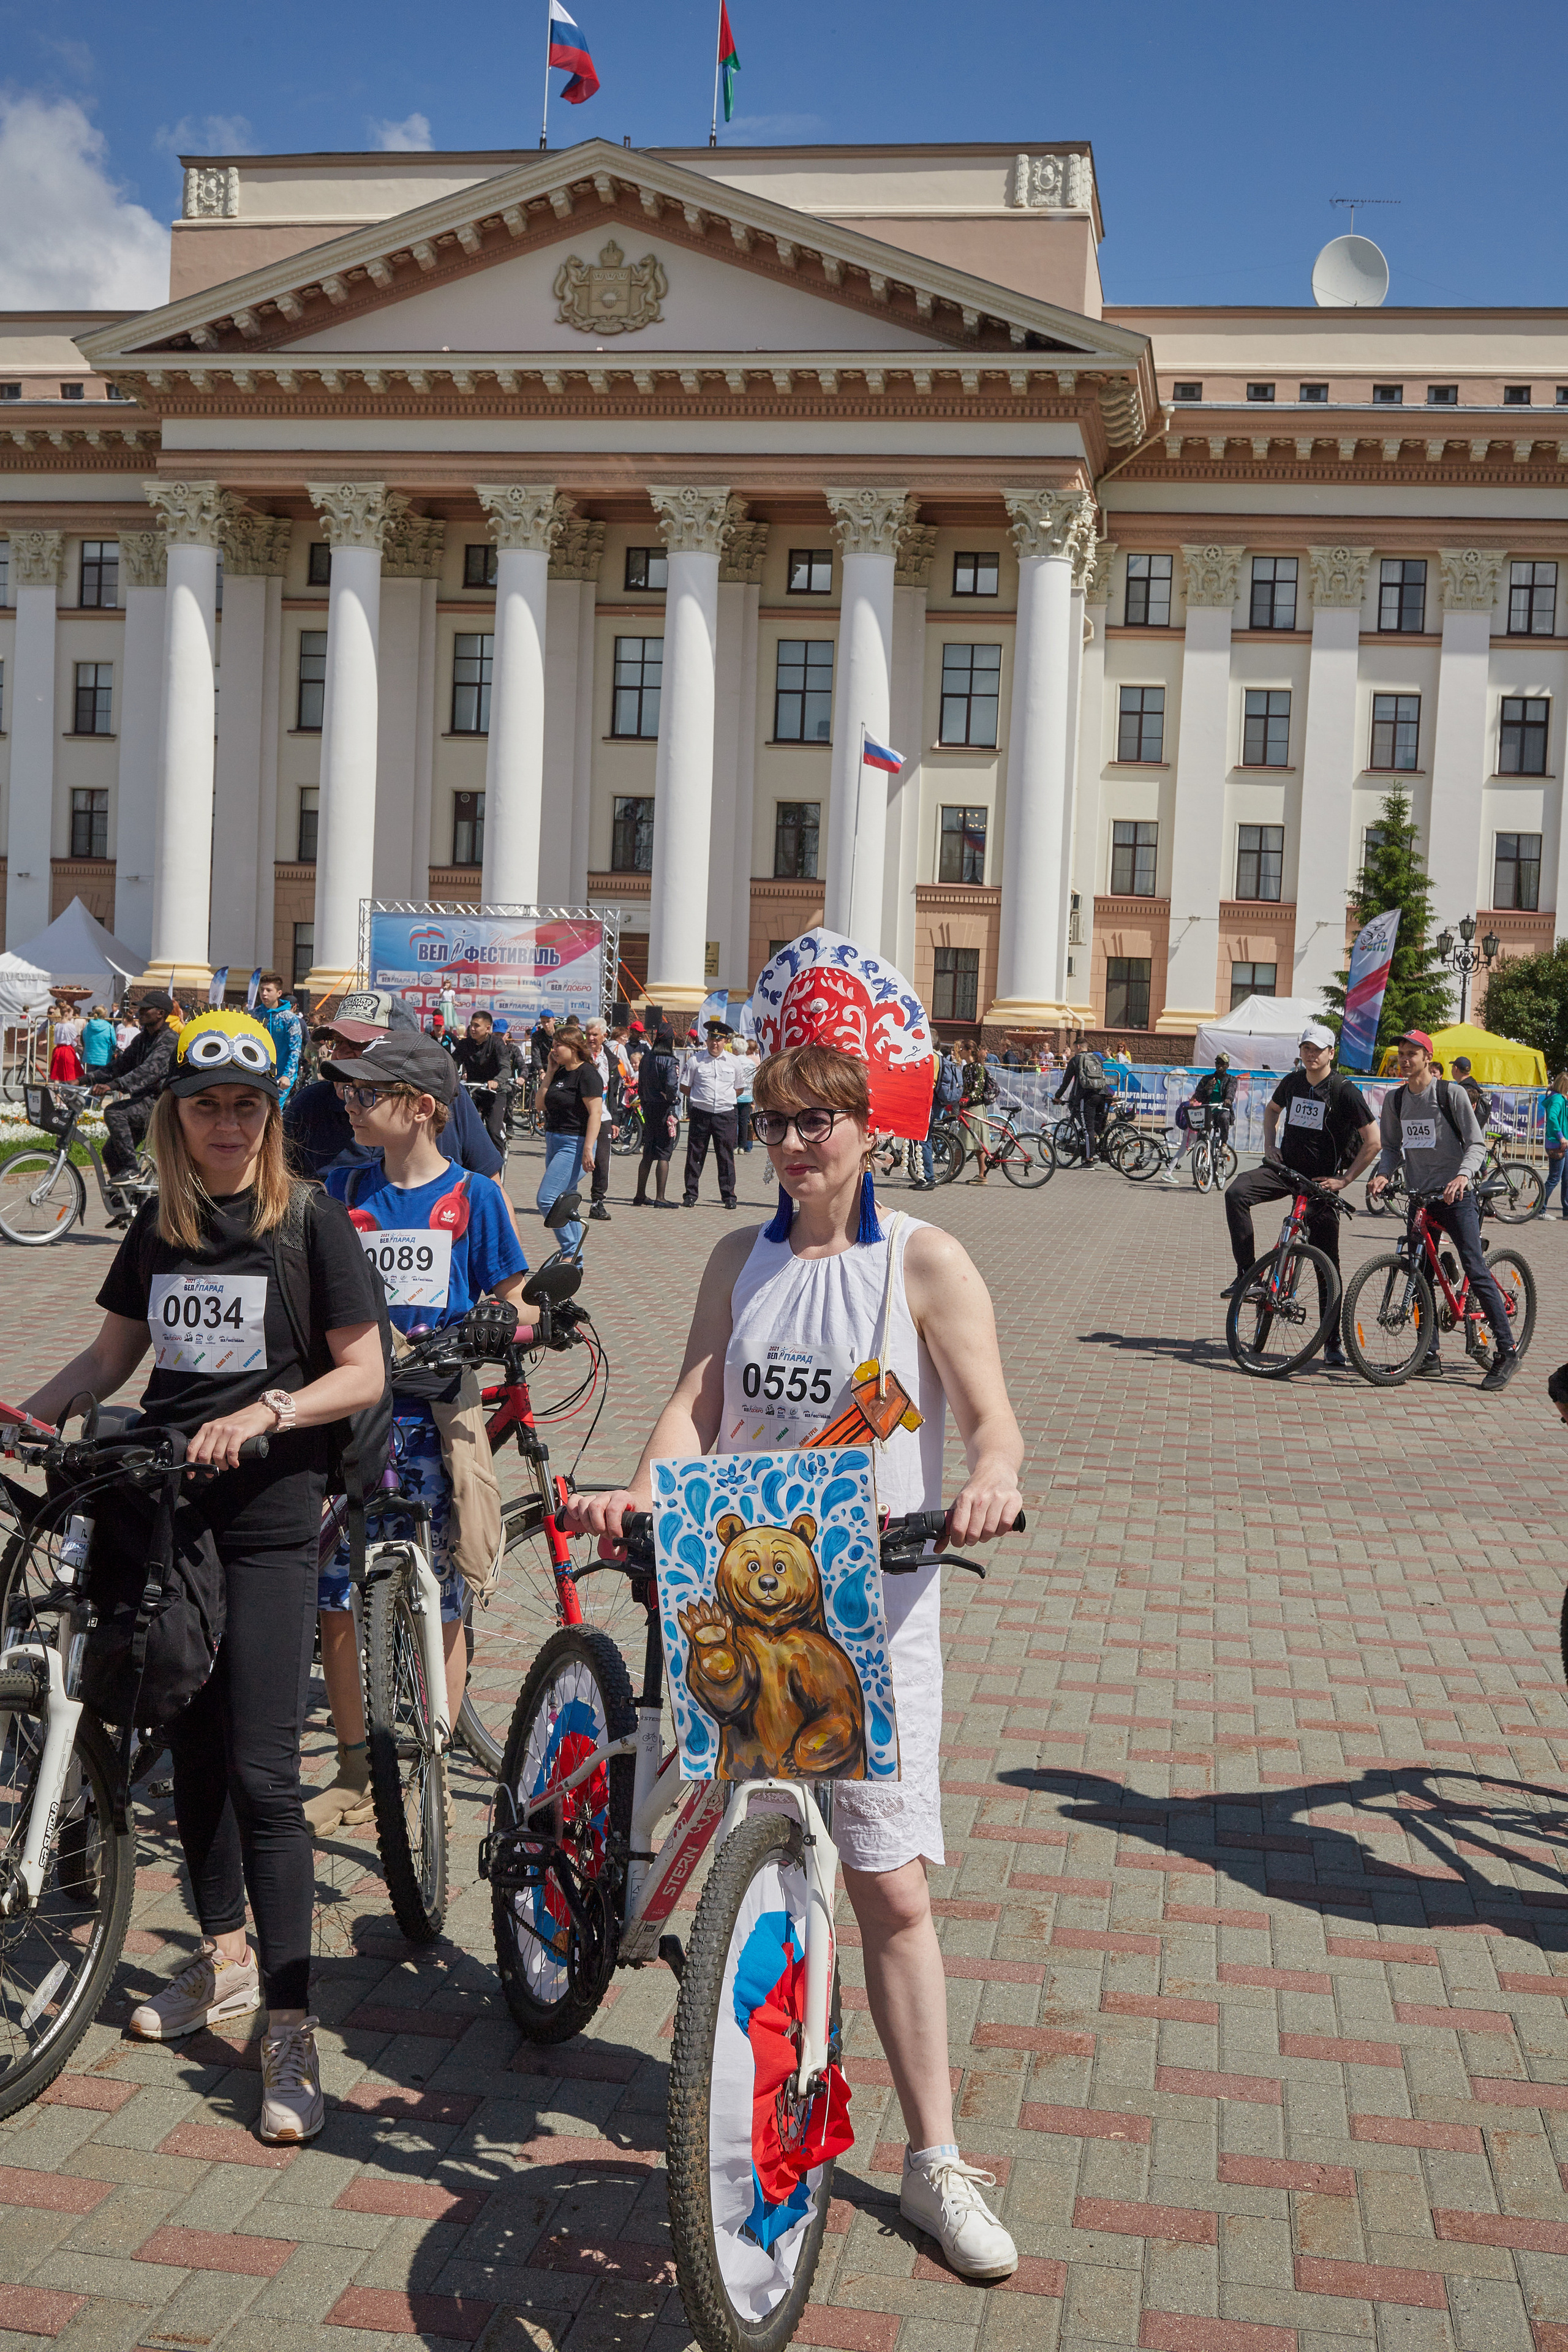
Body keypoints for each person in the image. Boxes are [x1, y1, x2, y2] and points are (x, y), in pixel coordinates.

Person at [570, 1036, 1025, 2282]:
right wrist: (643, 1484)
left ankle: (935, 2160)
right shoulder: (740, 1256)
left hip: (871, 1613)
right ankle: (740, 2056)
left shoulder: (918, 1259)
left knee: (888, 1891)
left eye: (819, 1121)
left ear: (866, 1129)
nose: (795, 1144)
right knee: (741, 1838)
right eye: (776, 1121)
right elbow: (696, 1404)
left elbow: (989, 1416)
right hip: (738, 1584)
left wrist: (990, 1477)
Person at [22, 1009, 385, 2143]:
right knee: (185, 1734)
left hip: (270, 1513)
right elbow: (111, 1358)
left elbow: (364, 1374)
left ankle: (287, 2021)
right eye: (204, 1104)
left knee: (267, 1773)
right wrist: (38, 1411)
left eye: (245, 1104)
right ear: (176, 1116)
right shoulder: (162, 1227)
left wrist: (268, 1411)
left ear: (270, 1113)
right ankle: (220, 1958)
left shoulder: (310, 1221)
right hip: (160, 1508)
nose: (225, 1122)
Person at [307, 1033, 529, 1831]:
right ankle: (353, 1769)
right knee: (336, 1599)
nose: (351, 1102)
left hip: (436, 1422)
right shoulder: (341, 1190)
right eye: (351, 1092)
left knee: (445, 1598)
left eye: (369, 1093)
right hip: (349, 1423)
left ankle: (432, 1751)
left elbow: (516, 1295)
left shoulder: (474, 1196)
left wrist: (517, 1321)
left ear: (423, 1108)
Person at [1368, 1028, 1520, 1393]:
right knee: (1419, 1270)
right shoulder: (1396, 1101)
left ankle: (1507, 1349)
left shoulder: (1449, 1094)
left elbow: (1477, 1143)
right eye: (1401, 1054)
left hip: (1457, 1195)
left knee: (1474, 1265)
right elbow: (1391, 1147)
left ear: (1428, 1059)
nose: (1405, 1060)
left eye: (1412, 1054)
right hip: (1421, 1198)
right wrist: (1383, 1174)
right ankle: (1429, 1353)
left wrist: (1463, 1176)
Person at [1223, 1022, 1378, 1370]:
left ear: (1330, 1053)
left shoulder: (1344, 1090)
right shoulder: (1293, 1081)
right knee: (1236, 1193)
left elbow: (1374, 1141)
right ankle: (1249, 1274)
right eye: (1307, 1048)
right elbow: (1271, 1111)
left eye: (1318, 1049)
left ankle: (1332, 1341)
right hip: (1286, 1171)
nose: (1311, 1054)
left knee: (1328, 1266)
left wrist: (1346, 1179)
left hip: (1321, 1185)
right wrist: (1269, 1144)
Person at [285, 1002, 503, 1185]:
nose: (340, 1055)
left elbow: (492, 1188)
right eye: (336, 1042)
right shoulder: (310, 1106)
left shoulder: (451, 1098)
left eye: (358, 1043)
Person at [97, 992, 179, 1181]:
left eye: (145, 1009)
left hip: (160, 1105)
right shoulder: (142, 1040)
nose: (139, 1012)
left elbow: (147, 1072)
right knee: (111, 1152)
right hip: (142, 1103)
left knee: (114, 1112)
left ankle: (132, 1171)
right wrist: (84, 1080)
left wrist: (113, 1086)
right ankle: (127, 1207)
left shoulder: (169, 1041)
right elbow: (119, 1066)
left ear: (160, 1013)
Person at [537, 1030, 602, 1256]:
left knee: (548, 1199)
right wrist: (550, 1072)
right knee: (566, 1204)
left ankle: (571, 1253)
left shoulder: (587, 1074)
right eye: (553, 1045)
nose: (553, 1050)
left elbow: (596, 1113)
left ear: (574, 1047)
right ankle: (575, 1259)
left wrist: (588, 1149)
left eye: (558, 1046)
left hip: (575, 1144)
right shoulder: (560, 1072)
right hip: (554, 1141)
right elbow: (540, 1105)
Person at [683, 1017, 741, 1208]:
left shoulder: (734, 1063)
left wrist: (722, 1099)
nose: (715, 1043)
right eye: (712, 1039)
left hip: (725, 1115)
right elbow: (685, 1087)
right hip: (701, 1113)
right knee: (695, 1155)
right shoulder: (695, 1061)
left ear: (725, 1042)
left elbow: (739, 1088)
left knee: (725, 1156)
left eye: (719, 1039)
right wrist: (702, 1099)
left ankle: (729, 1197)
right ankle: (690, 1194)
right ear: (707, 1040)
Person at [1163, 1053, 1238, 1185]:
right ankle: (1199, 1174)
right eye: (1217, 1062)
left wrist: (1228, 1100)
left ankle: (1224, 1145)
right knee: (1201, 1140)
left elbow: (1231, 1092)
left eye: (1222, 1063)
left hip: (1221, 1109)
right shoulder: (1207, 1079)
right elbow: (1198, 1096)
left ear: (1227, 1065)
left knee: (1224, 1117)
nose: (1219, 1065)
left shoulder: (1231, 1079)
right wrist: (1206, 1088)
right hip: (1207, 1111)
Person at [631, 1023, 682, 1207]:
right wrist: (671, 1098)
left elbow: (641, 1084)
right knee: (664, 1153)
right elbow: (671, 1085)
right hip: (664, 1110)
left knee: (648, 1152)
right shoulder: (671, 1061)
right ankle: (660, 1197)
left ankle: (640, 1195)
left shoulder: (646, 1058)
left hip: (648, 1108)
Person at [452, 1008, 510, 1153]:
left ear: (488, 1028)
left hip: (495, 1092)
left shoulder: (497, 1044)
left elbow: (506, 1069)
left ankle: (498, 1169)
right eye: (471, 1025)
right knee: (463, 1129)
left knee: (493, 1131)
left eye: (476, 1026)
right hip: (473, 1091)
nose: (472, 1029)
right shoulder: (465, 1044)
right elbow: (453, 1063)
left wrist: (496, 1081)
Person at [1053, 1039, 1112, 1166]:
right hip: (1101, 1095)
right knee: (1096, 1127)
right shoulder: (1097, 1058)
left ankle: (1089, 1161)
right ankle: (1097, 1152)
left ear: (1078, 1047)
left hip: (1086, 1097)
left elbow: (1066, 1082)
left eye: (1075, 1049)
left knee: (1087, 1128)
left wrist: (1057, 1097)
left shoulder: (1075, 1060)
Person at [584, 1018, 615, 1223]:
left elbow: (614, 1092)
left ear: (605, 1036)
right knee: (576, 1160)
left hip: (603, 1116)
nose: (591, 1038)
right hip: (581, 1115)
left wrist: (616, 1120)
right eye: (588, 1034)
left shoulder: (610, 1059)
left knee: (602, 1161)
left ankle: (597, 1202)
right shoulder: (580, 1055)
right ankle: (564, 1200)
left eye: (595, 1034)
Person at [255, 976, 304, 1105]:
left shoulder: (289, 1019)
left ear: (279, 993)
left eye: (268, 990)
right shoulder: (254, 1015)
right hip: (258, 1074)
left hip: (281, 1077)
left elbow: (295, 1050)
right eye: (262, 990)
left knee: (275, 1109)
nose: (264, 994)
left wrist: (287, 1076)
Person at [959, 1041, 993, 1185]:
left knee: (978, 1143)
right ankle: (951, 1171)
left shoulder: (978, 1067)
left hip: (976, 1108)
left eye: (962, 1049)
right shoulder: (966, 1068)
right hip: (968, 1108)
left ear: (969, 1051)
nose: (959, 1051)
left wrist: (967, 1098)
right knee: (959, 1141)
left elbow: (978, 1090)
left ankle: (982, 1175)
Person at [1545, 1070, 1568, 1218]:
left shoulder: (1559, 1098)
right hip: (1557, 1144)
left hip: (1562, 1143)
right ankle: (1539, 1208)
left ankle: (1567, 1210)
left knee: (1566, 1178)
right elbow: (1552, 1117)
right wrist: (1561, 1136)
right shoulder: (1558, 1099)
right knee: (1554, 1179)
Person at [731, 1035, 758, 1152]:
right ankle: (743, 1146)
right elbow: (753, 1079)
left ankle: (734, 1145)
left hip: (734, 1096)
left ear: (736, 1049)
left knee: (734, 1121)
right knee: (744, 1121)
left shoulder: (732, 1061)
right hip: (747, 1096)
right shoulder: (750, 1063)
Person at [81, 1003, 116, 1079]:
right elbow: (114, 1043)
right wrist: (113, 1050)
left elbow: (84, 1038)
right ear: (105, 1015)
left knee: (90, 1081)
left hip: (90, 1058)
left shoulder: (88, 1026)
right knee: (102, 1082)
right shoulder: (109, 1027)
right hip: (105, 1058)